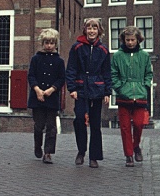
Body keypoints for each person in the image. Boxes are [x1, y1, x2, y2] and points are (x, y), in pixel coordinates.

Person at [66, 18, 111, 168]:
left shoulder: (103, 50)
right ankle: (81, 151)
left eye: (95, 28)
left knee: (95, 124)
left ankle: (94, 157)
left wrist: (107, 91)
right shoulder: (77, 47)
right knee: (79, 120)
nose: (92, 31)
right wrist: (72, 88)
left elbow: (106, 72)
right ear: (85, 30)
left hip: (97, 89)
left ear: (99, 31)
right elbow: (71, 69)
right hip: (80, 89)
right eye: (89, 28)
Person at [111, 26, 153, 167]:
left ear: (138, 40)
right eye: (127, 40)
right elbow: (113, 74)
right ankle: (128, 155)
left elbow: (148, 73)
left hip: (140, 95)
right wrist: (120, 88)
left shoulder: (144, 56)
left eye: (132, 40)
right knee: (125, 127)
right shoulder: (117, 56)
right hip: (124, 96)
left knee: (139, 124)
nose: (130, 42)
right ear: (123, 40)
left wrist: (145, 86)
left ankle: (136, 146)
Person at [27, 28, 66, 164]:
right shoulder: (36, 59)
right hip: (37, 97)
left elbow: (61, 78)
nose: (49, 46)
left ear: (55, 44)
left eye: (51, 43)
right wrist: (37, 90)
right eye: (46, 43)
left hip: (52, 97)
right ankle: (38, 145)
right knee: (39, 125)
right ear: (42, 43)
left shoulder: (59, 61)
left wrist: (52, 89)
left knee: (51, 127)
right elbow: (31, 76)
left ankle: (48, 152)